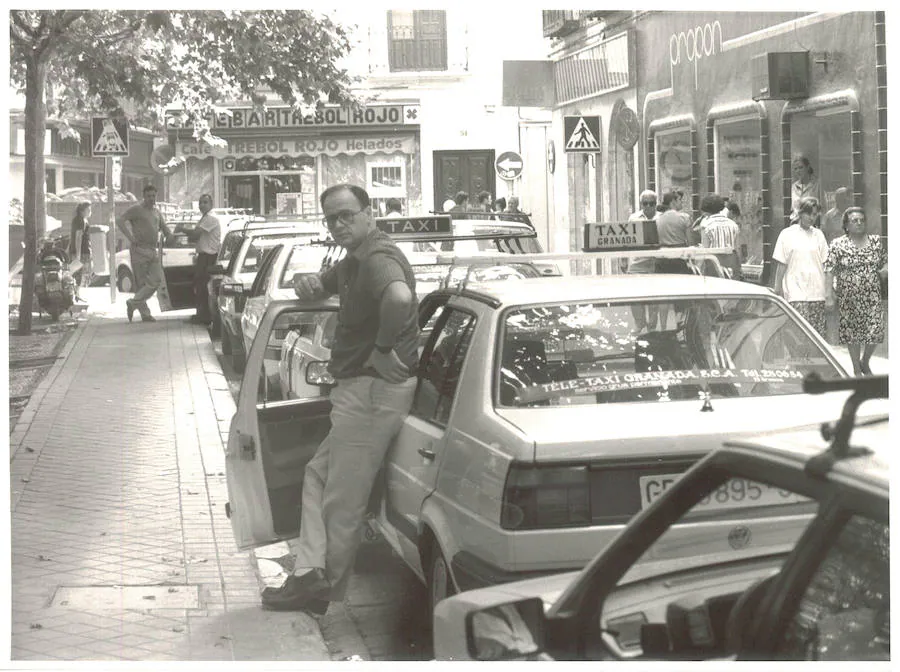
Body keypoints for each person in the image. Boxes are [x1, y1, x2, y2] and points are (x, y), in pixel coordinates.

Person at [261, 183, 419, 613]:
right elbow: (314, 285)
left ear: (370, 213)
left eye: (347, 215)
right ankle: (309, 572)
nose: (338, 224)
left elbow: (400, 297)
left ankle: (321, 590)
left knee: (341, 503)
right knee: (316, 476)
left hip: (370, 392)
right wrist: (305, 280)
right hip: (359, 392)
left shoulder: (377, 258)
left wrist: (383, 350)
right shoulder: (353, 261)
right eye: (331, 218)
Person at [824, 207, 888, 375]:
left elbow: (885, 262)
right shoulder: (838, 244)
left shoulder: (875, 242)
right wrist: (828, 295)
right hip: (849, 297)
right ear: (846, 225)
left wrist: (885, 270)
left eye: (862, 220)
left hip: (872, 296)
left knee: (875, 331)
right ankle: (856, 369)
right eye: (854, 220)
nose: (859, 223)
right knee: (852, 334)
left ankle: (864, 361)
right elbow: (829, 269)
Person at [772, 196, 829, 337]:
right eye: (808, 213)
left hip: (817, 291)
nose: (811, 218)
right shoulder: (787, 234)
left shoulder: (819, 235)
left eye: (815, 214)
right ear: (800, 213)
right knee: (797, 333)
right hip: (795, 291)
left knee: (817, 335)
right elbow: (781, 263)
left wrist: (828, 291)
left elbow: (826, 263)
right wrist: (777, 288)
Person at [118, 184, 171, 323]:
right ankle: (145, 314)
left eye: (153, 196)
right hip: (139, 250)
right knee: (141, 283)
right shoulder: (137, 209)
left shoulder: (157, 212)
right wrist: (130, 237)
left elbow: (165, 229)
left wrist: (174, 235)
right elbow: (120, 220)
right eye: (148, 196)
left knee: (156, 280)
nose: (151, 199)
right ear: (144, 196)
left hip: (152, 251)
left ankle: (133, 302)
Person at [174, 194, 221, 326]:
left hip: (209, 256)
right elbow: (194, 237)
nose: (202, 205)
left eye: (205, 202)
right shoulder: (204, 218)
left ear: (211, 204)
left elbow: (195, 234)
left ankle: (204, 316)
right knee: (199, 286)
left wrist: (181, 228)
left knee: (203, 286)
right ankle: (201, 314)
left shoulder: (211, 218)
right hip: (203, 255)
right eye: (200, 203)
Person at [627, 190, 659, 331]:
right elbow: (626, 239)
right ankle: (639, 322)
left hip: (655, 262)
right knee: (635, 295)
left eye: (651, 203)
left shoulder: (661, 218)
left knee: (654, 297)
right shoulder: (633, 218)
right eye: (645, 203)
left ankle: (652, 325)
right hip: (637, 263)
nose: (648, 206)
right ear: (641, 204)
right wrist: (623, 259)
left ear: (655, 204)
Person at [699, 193, 742, 280]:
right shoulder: (733, 224)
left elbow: (704, 250)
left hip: (713, 264)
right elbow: (737, 249)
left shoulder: (706, 224)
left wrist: (699, 270)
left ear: (706, 209)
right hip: (731, 263)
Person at [654, 189, 693, 275]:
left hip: (661, 258)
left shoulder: (657, 219)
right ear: (673, 202)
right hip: (679, 258)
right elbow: (690, 242)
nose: (681, 202)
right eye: (679, 200)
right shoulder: (684, 217)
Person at [68, 201, 93, 302]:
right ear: (82, 211)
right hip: (81, 251)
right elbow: (78, 237)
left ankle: (76, 294)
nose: (90, 211)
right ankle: (75, 295)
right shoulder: (80, 220)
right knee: (78, 273)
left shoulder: (78, 220)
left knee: (76, 273)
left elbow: (73, 236)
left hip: (79, 251)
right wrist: (78, 254)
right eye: (88, 210)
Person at [790, 154, 823, 221]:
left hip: (812, 222)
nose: (798, 171)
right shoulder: (793, 187)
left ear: (807, 167)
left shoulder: (817, 185)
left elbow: (822, 208)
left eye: (801, 167)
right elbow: (793, 209)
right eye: (795, 169)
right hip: (796, 223)